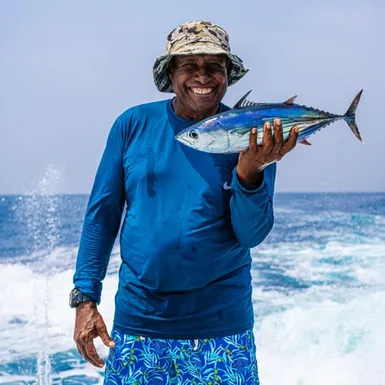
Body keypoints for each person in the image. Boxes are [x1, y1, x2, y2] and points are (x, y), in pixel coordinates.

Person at [70, 20, 298, 384]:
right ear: (171, 72)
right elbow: (102, 215)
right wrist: (85, 298)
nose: (202, 76)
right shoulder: (132, 125)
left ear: (228, 74)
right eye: (189, 65)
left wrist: (250, 171)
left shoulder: (250, 131)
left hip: (223, 330)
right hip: (139, 325)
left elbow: (251, 234)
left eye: (214, 66)